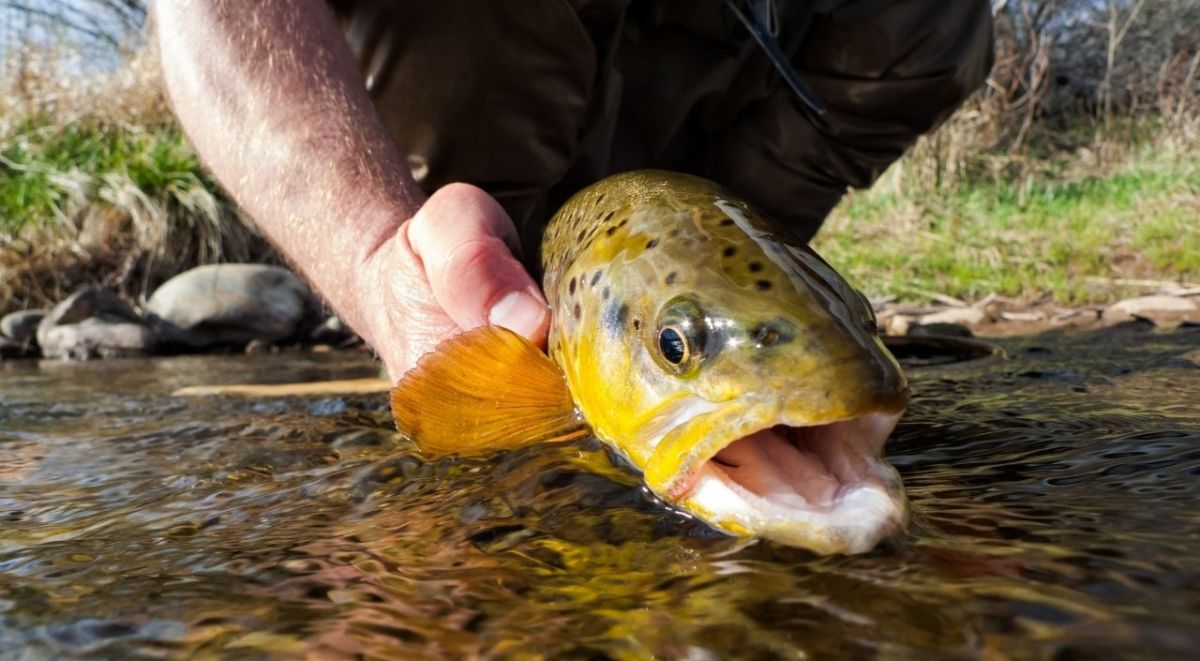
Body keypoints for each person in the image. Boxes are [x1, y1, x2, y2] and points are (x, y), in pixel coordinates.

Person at [155, 1, 993, 381]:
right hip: (456, 154)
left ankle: (719, 341)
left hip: (707, 169)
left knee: (936, 17)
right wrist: (376, 256)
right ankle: (464, 290)